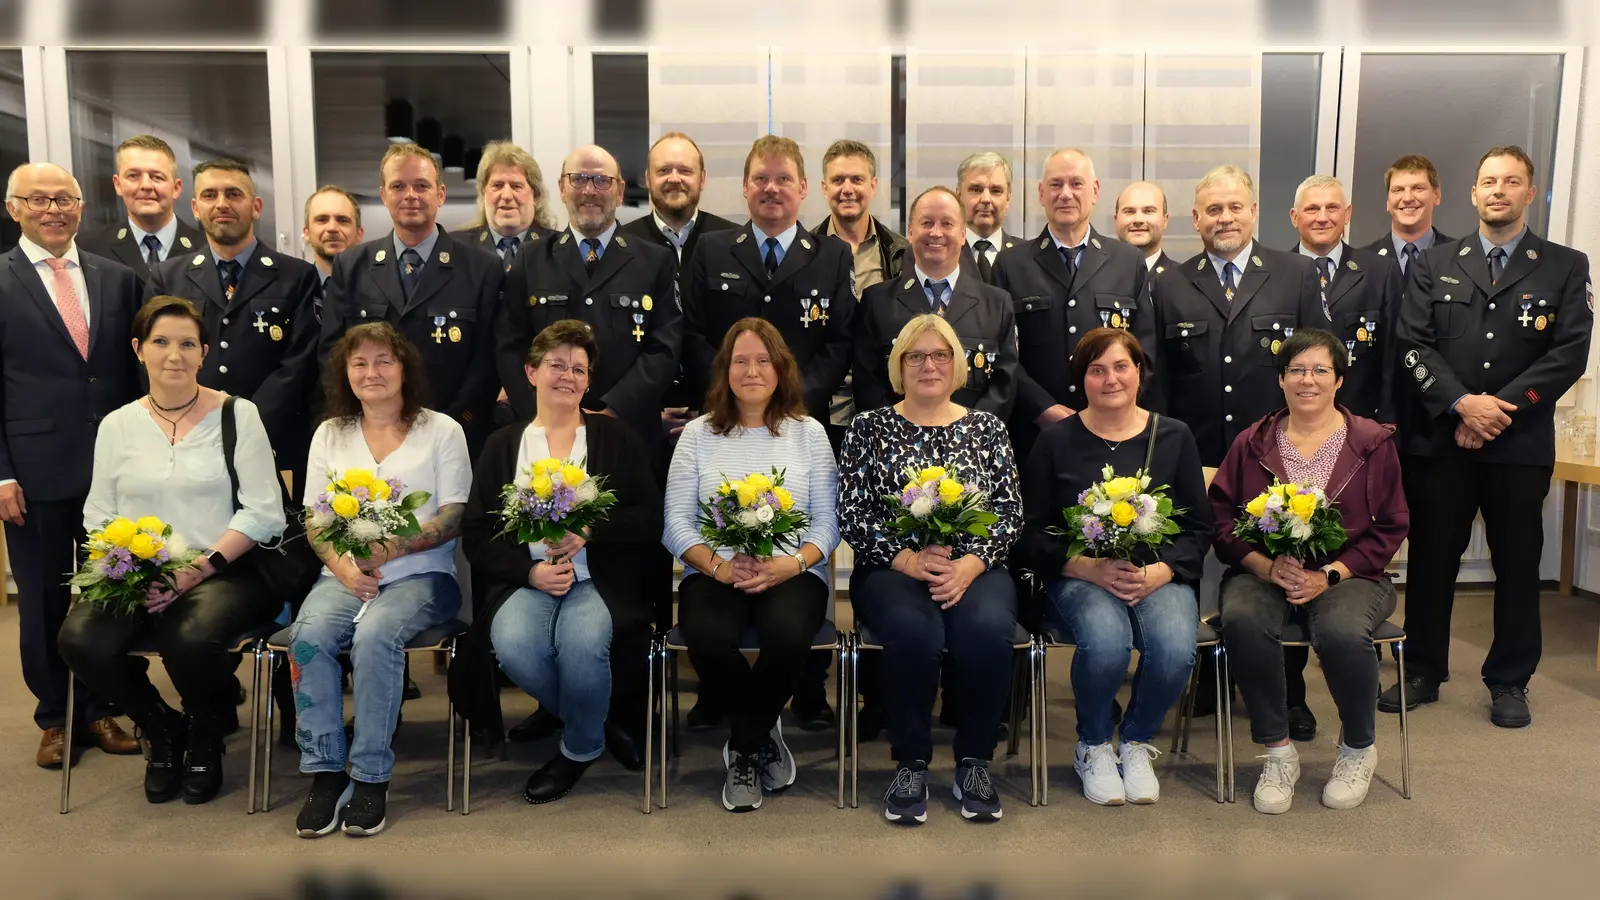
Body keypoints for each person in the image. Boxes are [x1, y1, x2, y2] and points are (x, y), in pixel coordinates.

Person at [1389, 145, 1592, 728]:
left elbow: (1568, 354)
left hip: (1518, 444)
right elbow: (1413, 344)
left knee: (1518, 564)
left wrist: (1497, 412)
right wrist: (1460, 405)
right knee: (1430, 562)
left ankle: (1509, 681)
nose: (1498, 191)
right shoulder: (1434, 264)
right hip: (1442, 442)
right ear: (1473, 193)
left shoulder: (1564, 265)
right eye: (1487, 182)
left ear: (1531, 193)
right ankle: (1423, 670)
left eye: (1511, 182)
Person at [58, 296, 287, 804]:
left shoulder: (237, 415)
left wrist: (196, 571)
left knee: (190, 635)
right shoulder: (118, 425)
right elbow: (98, 514)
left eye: (187, 344)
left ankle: (206, 733)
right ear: (139, 349)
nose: (174, 355)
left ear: (204, 352)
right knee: (80, 640)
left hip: (225, 567)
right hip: (135, 570)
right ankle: (162, 728)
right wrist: (130, 571)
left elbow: (264, 512)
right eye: (161, 342)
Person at [452, 320, 662, 803]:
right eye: (556, 365)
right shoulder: (503, 446)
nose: (567, 376)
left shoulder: (615, 437)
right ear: (530, 372)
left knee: (582, 647)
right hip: (527, 581)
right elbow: (478, 533)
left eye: (578, 369)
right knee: (514, 644)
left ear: (589, 381)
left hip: (599, 582)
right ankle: (599, 723)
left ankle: (578, 748)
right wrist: (530, 571)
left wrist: (591, 530)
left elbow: (649, 518)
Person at [1209, 328, 1409, 813]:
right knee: (1242, 618)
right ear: (1281, 380)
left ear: (1339, 379)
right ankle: (1277, 751)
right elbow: (1221, 521)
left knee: (1341, 631)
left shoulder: (1371, 442)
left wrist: (1331, 574)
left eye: (1320, 370)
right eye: (1296, 370)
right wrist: (1263, 564)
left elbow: (1392, 525)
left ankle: (1358, 749)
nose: (1308, 380)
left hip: (1352, 575)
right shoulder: (1251, 442)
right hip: (1266, 570)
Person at [837, 313, 1022, 825]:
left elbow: (1009, 513)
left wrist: (970, 564)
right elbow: (851, 511)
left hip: (977, 568)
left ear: (957, 364)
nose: (928, 365)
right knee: (914, 632)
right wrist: (906, 559)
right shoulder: (868, 427)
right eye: (915, 356)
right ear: (898, 366)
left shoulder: (987, 428)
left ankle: (973, 762)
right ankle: (912, 762)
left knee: (985, 630)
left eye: (940, 355)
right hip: (891, 568)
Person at [289, 322, 471, 838]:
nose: (372, 373)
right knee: (308, 638)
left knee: (374, 637)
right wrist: (343, 567)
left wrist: (396, 546)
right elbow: (315, 518)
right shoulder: (331, 433)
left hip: (424, 576)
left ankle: (370, 775)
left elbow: (455, 515)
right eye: (360, 363)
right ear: (345, 374)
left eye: (383, 361)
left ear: (404, 368)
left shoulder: (442, 430)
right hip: (345, 577)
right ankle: (325, 769)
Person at [1015, 327, 1209, 806]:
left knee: (1174, 648)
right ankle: (1096, 744)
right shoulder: (1055, 441)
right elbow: (1028, 533)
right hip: (1080, 576)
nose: (1110, 379)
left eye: (1121, 367)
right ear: (1081, 379)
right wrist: (1085, 568)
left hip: (1157, 573)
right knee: (1106, 642)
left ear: (1139, 372)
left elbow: (1199, 528)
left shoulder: (1174, 436)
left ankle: (1138, 742)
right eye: (1096, 370)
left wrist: (1164, 571)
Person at [663, 318, 839, 812]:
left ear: (781, 368)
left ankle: (742, 745)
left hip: (792, 571)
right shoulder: (697, 434)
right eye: (740, 360)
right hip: (715, 571)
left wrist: (792, 564)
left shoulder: (809, 434)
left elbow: (828, 525)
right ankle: (762, 728)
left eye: (763, 360)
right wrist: (720, 566)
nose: (752, 370)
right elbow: (675, 524)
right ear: (725, 369)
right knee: (708, 638)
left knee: (787, 636)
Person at [2, 163, 144, 769]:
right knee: (40, 599)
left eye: (64, 198)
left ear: (82, 208)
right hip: (32, 473)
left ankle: (100, 706)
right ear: (14, 208)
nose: (53, 209)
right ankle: (56, 717)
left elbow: (137, 373)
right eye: (38, 200)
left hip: (114, 472)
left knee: (110, 594)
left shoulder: (118, 280)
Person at [319, 142, 504, 457]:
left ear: (440, 194)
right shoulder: (352, 266)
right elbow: (332, 355)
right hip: (370, 438)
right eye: (398, 186)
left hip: (455, 435)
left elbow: (487, 362)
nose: (410, 195)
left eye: (421, 186)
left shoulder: (481, 267)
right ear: (384, 194)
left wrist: (449, 425)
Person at [147, 158, 321, 493]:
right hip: (190, 440)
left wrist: (247, 424)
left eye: (234, 194)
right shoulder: (167, 277)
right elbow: (154, 362)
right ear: (196, 208)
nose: (222, 204)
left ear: (256, 206)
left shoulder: (296, 276)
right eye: (210, 195)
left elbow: (300, 362)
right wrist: (194, 422)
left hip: (275, 440)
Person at [496, 143, 680, 450]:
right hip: (545, 435)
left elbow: (664, 350)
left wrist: (614, 409)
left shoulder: (655, 261)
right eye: (578, 179)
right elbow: (509, 346)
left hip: (628, 433)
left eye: (601, 180)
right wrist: (542, 411)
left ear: (620, 191)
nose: (590, 190)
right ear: (562, 189)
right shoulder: (532, 259)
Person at [1150, 165, 1324, 467]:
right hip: (1197, 456)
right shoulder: (1169, 285)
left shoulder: (1295, 273)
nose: (1225, 218)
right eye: (1214, 209)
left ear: (1253, 211)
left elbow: (1319, 365)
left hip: (1279, 449)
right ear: (1196, 218)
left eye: (1235, 207)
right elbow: (1160, 381)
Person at [992, 147, 1155, 465]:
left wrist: (1111, 409)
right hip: (1033, 436)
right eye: (1056, 184)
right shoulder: (1011, 264)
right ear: (1041, 193)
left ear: (1094, 192)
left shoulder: (1127, 261)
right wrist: (1042, 409)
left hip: (1114, 435)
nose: (1065, 194)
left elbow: (1144, 351)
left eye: (1076, 184)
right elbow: (1002, 354)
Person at [680, 134, 855, 427]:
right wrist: (734, 395)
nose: (771, 188)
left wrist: (791, 399)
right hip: (725, 418)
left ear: (803, 187)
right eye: (761, 178)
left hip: (802, 419)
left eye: (783, 179)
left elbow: (840, 344)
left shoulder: (833, 256)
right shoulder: (711, 250)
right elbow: (693, 334)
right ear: (745, 186)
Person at [854, 185, 1017, 419]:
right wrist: (903, 433)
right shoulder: (876, 302)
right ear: (910, 231)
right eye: (926, 223)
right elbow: (867, 384)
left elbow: (1004, 385)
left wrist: (965, 434)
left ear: (963, 235)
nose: (936, 233)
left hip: (971, 447)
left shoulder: (996, 304)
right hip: (897, 446)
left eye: (947, 224)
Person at [619, 131, 740, 446]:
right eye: (663, 171)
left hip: (724, 418)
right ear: (647, 179)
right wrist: (644, 412)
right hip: (638, 422)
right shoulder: (621, 246)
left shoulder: (736, 243)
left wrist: (713, 411)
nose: (674, 179)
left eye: (685, 170)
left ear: (702, 179)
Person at [78, 134, 205, 287]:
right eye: (133, 176)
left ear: (176, 188)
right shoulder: (88, 250)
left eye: (157, 177)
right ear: (118, 185)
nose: (146, 185)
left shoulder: (208, 249)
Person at [451, 140, 557, 270]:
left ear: (535, 196)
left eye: (516, 186)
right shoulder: (454, 248)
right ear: (483, 194)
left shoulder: (559, 249)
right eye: (497, 185)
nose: (506, 195)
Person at [1360, 154, 1454, 275]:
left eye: (1417, 188)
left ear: (1437, 195)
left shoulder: (1459, 258)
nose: (1407, 198)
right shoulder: (1363, 262)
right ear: (1388, 202)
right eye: (1398, 190)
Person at [956, 151, 1019, 283]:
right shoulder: (941, 254)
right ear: (958, 195)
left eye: (996, 191)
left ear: (1008, 199)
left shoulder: (1028, 258)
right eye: (976, 189)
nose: (985, 199)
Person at [303, 185, 365, 295]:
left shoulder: (380, 290)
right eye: (322, 220)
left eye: (343, 220)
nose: (332, 228)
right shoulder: (294, 292)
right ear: (306, 233)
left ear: (359, 233)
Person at [1114, 181, 1176, 289]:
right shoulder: (1094, 277)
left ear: (1165, 220)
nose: (1138, 220)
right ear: (1116, 220)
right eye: (1129, 211)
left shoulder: (1184, 281)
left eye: (1148, 211)